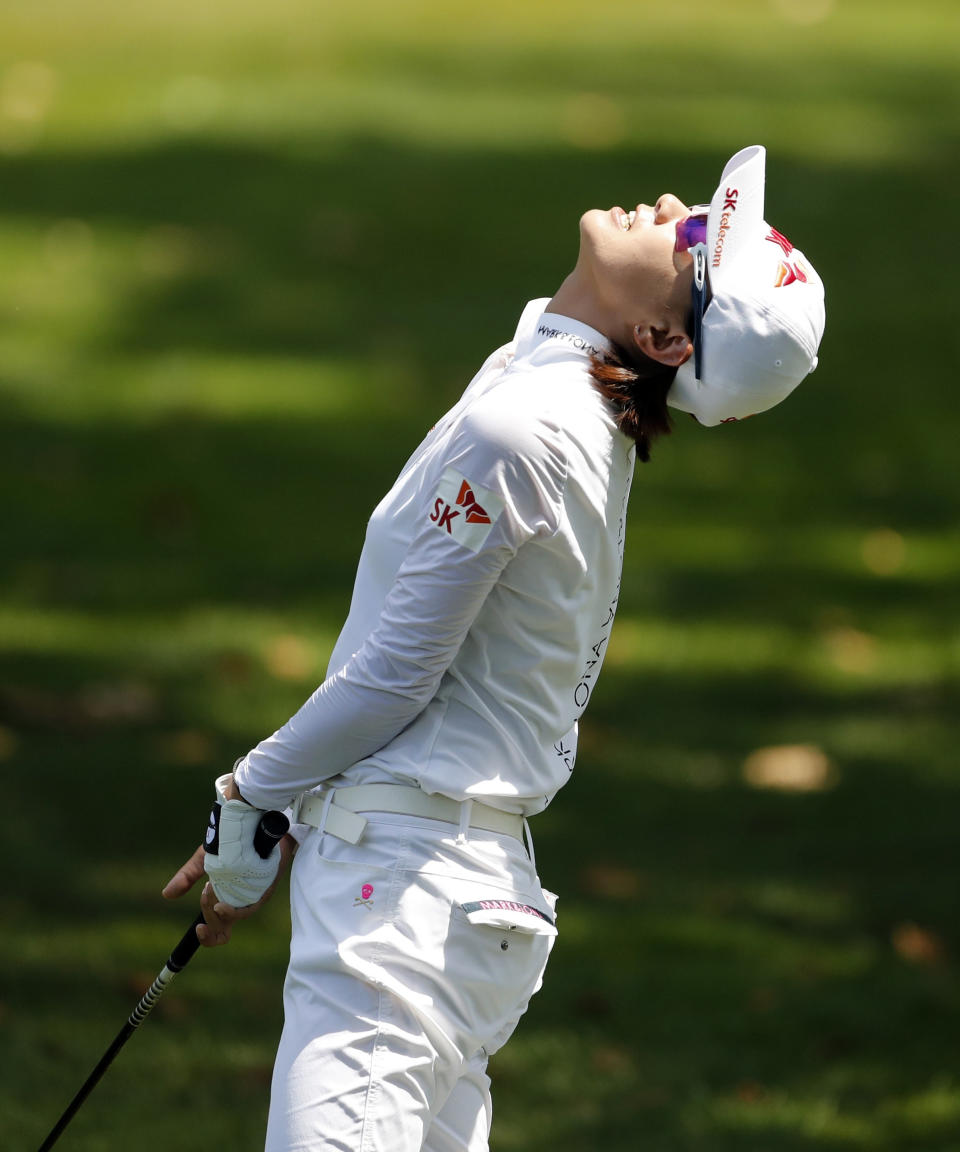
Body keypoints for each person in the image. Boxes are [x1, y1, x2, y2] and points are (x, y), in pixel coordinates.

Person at [163, 144, 825, 1151]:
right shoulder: (551, 394)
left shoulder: (527, 426)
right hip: (450, 887)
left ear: (663, 336)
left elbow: (395, 675)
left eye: (697, 241)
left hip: (405, 904)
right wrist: (277, 818)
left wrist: (248, 796)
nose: (671, 208)